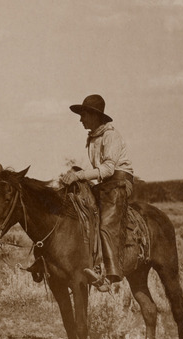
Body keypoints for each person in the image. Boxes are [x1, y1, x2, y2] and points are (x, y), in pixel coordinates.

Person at [60, 94, 134, 291]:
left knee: (106, 224)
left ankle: (109, 274)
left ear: (94, 115)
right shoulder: (93, 137)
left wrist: (79, 175)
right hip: (105, 185)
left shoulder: (111, 136)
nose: (81, 119)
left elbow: (108, 169)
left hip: (119, 183)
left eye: (83, 115)